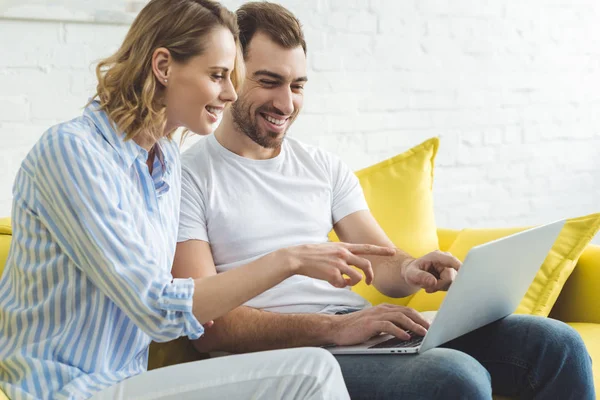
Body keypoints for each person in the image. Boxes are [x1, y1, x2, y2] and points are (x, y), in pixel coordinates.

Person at [173, 2, 595, 399]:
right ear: (230, 75)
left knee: (556, 344)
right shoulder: (188, 177)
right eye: (268, 82)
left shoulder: (321, 166)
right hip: (283, 356)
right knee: (453, 377)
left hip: (353, 332)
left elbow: (381, 261)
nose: (286, 103)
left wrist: (412, 269)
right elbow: (210, 327)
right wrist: (334, 329)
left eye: (297, 85)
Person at [0, 1, 397, 398]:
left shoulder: (164, 160)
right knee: (312, 372)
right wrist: (290, 260)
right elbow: (157, 308)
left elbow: (181, 302)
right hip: (63, 389)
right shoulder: (73, 152)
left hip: (130, 384)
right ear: (163, 67)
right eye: (218, 75)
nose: (229, 93)